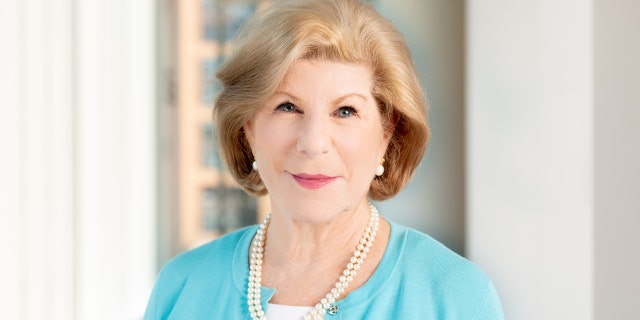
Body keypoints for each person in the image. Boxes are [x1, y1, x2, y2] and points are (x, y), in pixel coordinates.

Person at [144, 0, 504, 319]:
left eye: (345, 111)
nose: (313, 143)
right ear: (248, 128)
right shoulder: (182, 287)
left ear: (387, 133)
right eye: (287, 107)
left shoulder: (457, 298)